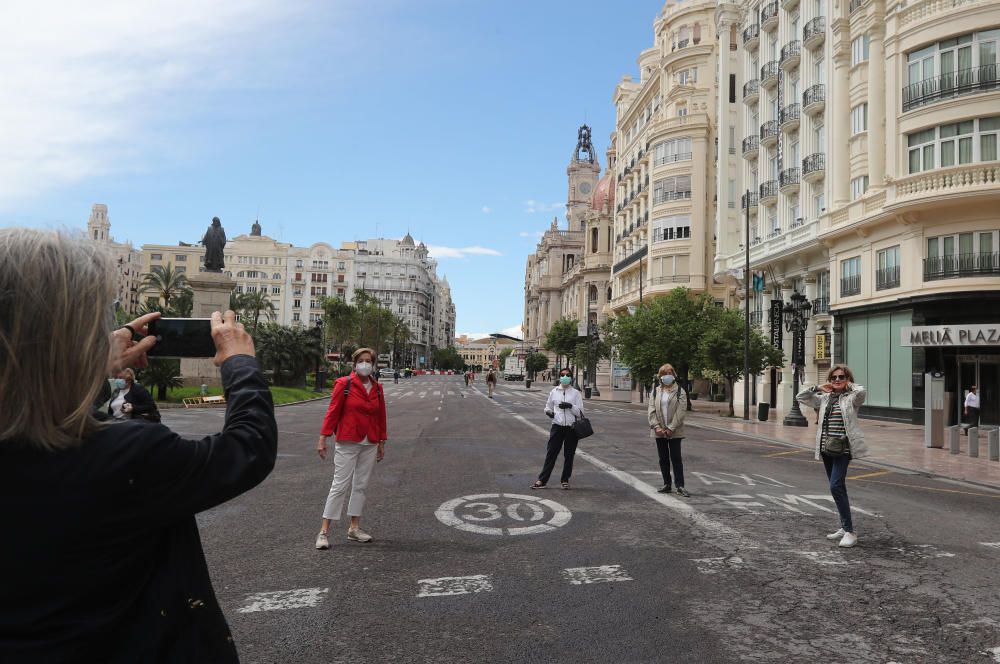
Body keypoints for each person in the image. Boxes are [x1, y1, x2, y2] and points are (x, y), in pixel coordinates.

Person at [0, 229, 275, 663]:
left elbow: (33, 407)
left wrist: (95, 372)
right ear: (71, 341)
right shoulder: (124, 457)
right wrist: (241, 365)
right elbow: (248, 448)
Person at [316, 347, 388, 549]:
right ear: (355, 364)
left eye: (369, 361)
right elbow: (332, 413)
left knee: (361, 485)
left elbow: (381, 416)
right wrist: (323, 438)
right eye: (362, 360)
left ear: (373, 365)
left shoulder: (377, 388)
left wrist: (382, 442)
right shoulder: (344, 384)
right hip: (348, 440)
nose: (365, 364)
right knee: (339, 485)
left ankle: (354, 528)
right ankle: (323, 531)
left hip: (370, 442)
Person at [796, 364, 870, 548]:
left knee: (835, 486)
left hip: (843, 449)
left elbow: (862, 392)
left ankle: (850, 532)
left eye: (842, 377)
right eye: (834, 377)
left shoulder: (851, 398)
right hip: (826, 448)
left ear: (848, 378)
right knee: (838, 488)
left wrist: (850, 385)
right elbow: (801, 397)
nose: (837, 380)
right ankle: (844, 527)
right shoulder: (824, 398)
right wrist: (817, 387)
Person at [532, 367, 584, 490]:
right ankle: (542, 480)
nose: (565, 377)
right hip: (557, 426)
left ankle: (565, 480)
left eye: (567, 375)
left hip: (571, 428)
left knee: (569, 455)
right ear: (559, 377)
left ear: (571, 378)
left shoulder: (576, 393)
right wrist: (549, 413)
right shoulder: (554, 391)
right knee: (551, 453)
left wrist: (570, 406)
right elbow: (547, 407)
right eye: (562, 375)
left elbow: (580, 412)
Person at [647, 363, 690, 497]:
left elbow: (681, 411)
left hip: (675, 431)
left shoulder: (680, 391)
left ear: (674, 375)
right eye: (665, 374)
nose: (667, 376)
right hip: (659, 430)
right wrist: (656, 426)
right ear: (660, 376)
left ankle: (680, 485)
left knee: (676, 458)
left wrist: (671, 428)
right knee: (663, 458)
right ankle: (667, 483)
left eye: (670, 374)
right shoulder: (656, 391)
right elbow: (651, 410)